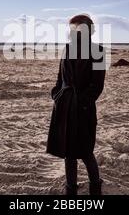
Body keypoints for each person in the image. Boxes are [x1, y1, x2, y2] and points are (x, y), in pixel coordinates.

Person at [46, 14, 106, 195]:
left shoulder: (98, 50)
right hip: (64, 106)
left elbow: (97, 85)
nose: (74, 32)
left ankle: (95, 187)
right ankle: (70, 189)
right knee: (68, 152)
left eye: (78, 28)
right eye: (72, 29)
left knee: (86, 151)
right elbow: (60, 77)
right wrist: (56, 95)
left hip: (82, 108)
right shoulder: (67, 49)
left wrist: (82, 103)